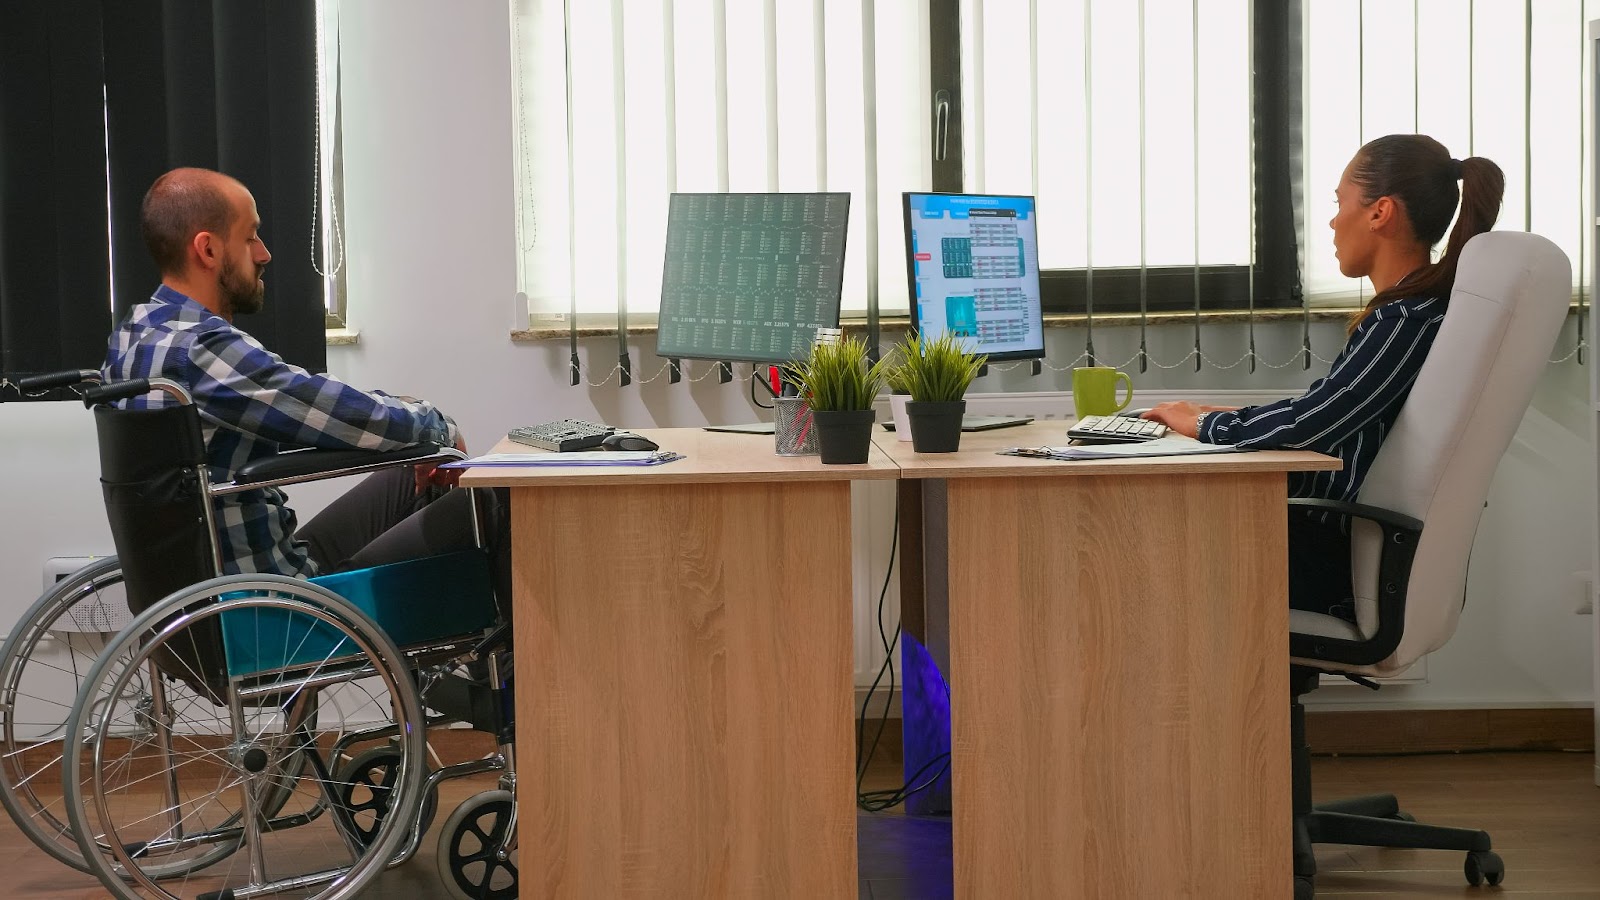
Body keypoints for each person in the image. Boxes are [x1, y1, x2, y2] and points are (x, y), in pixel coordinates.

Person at [102, 167, 511, 612]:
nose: (264, 253)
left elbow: (304, 404)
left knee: (410, 471)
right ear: (208, 249)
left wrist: (411, 420)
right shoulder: (202, 349)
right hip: (276, 608)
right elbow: (332, 412)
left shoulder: (133, 336)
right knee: (498, 496)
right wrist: (440, 427)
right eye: (250, 237)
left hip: (203, 599)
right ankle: (517, 657)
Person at [1142, 134, 1505, 623]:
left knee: (1144, 540)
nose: (1334, 222)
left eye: (1340, 203)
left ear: (1380, 212)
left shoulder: (1406, 319)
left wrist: (1206, 427)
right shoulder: (1411, 313)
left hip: (1325, 559)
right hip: (1326, 542)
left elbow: (1314, 424)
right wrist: (1220, 416)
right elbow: (1326, 408)